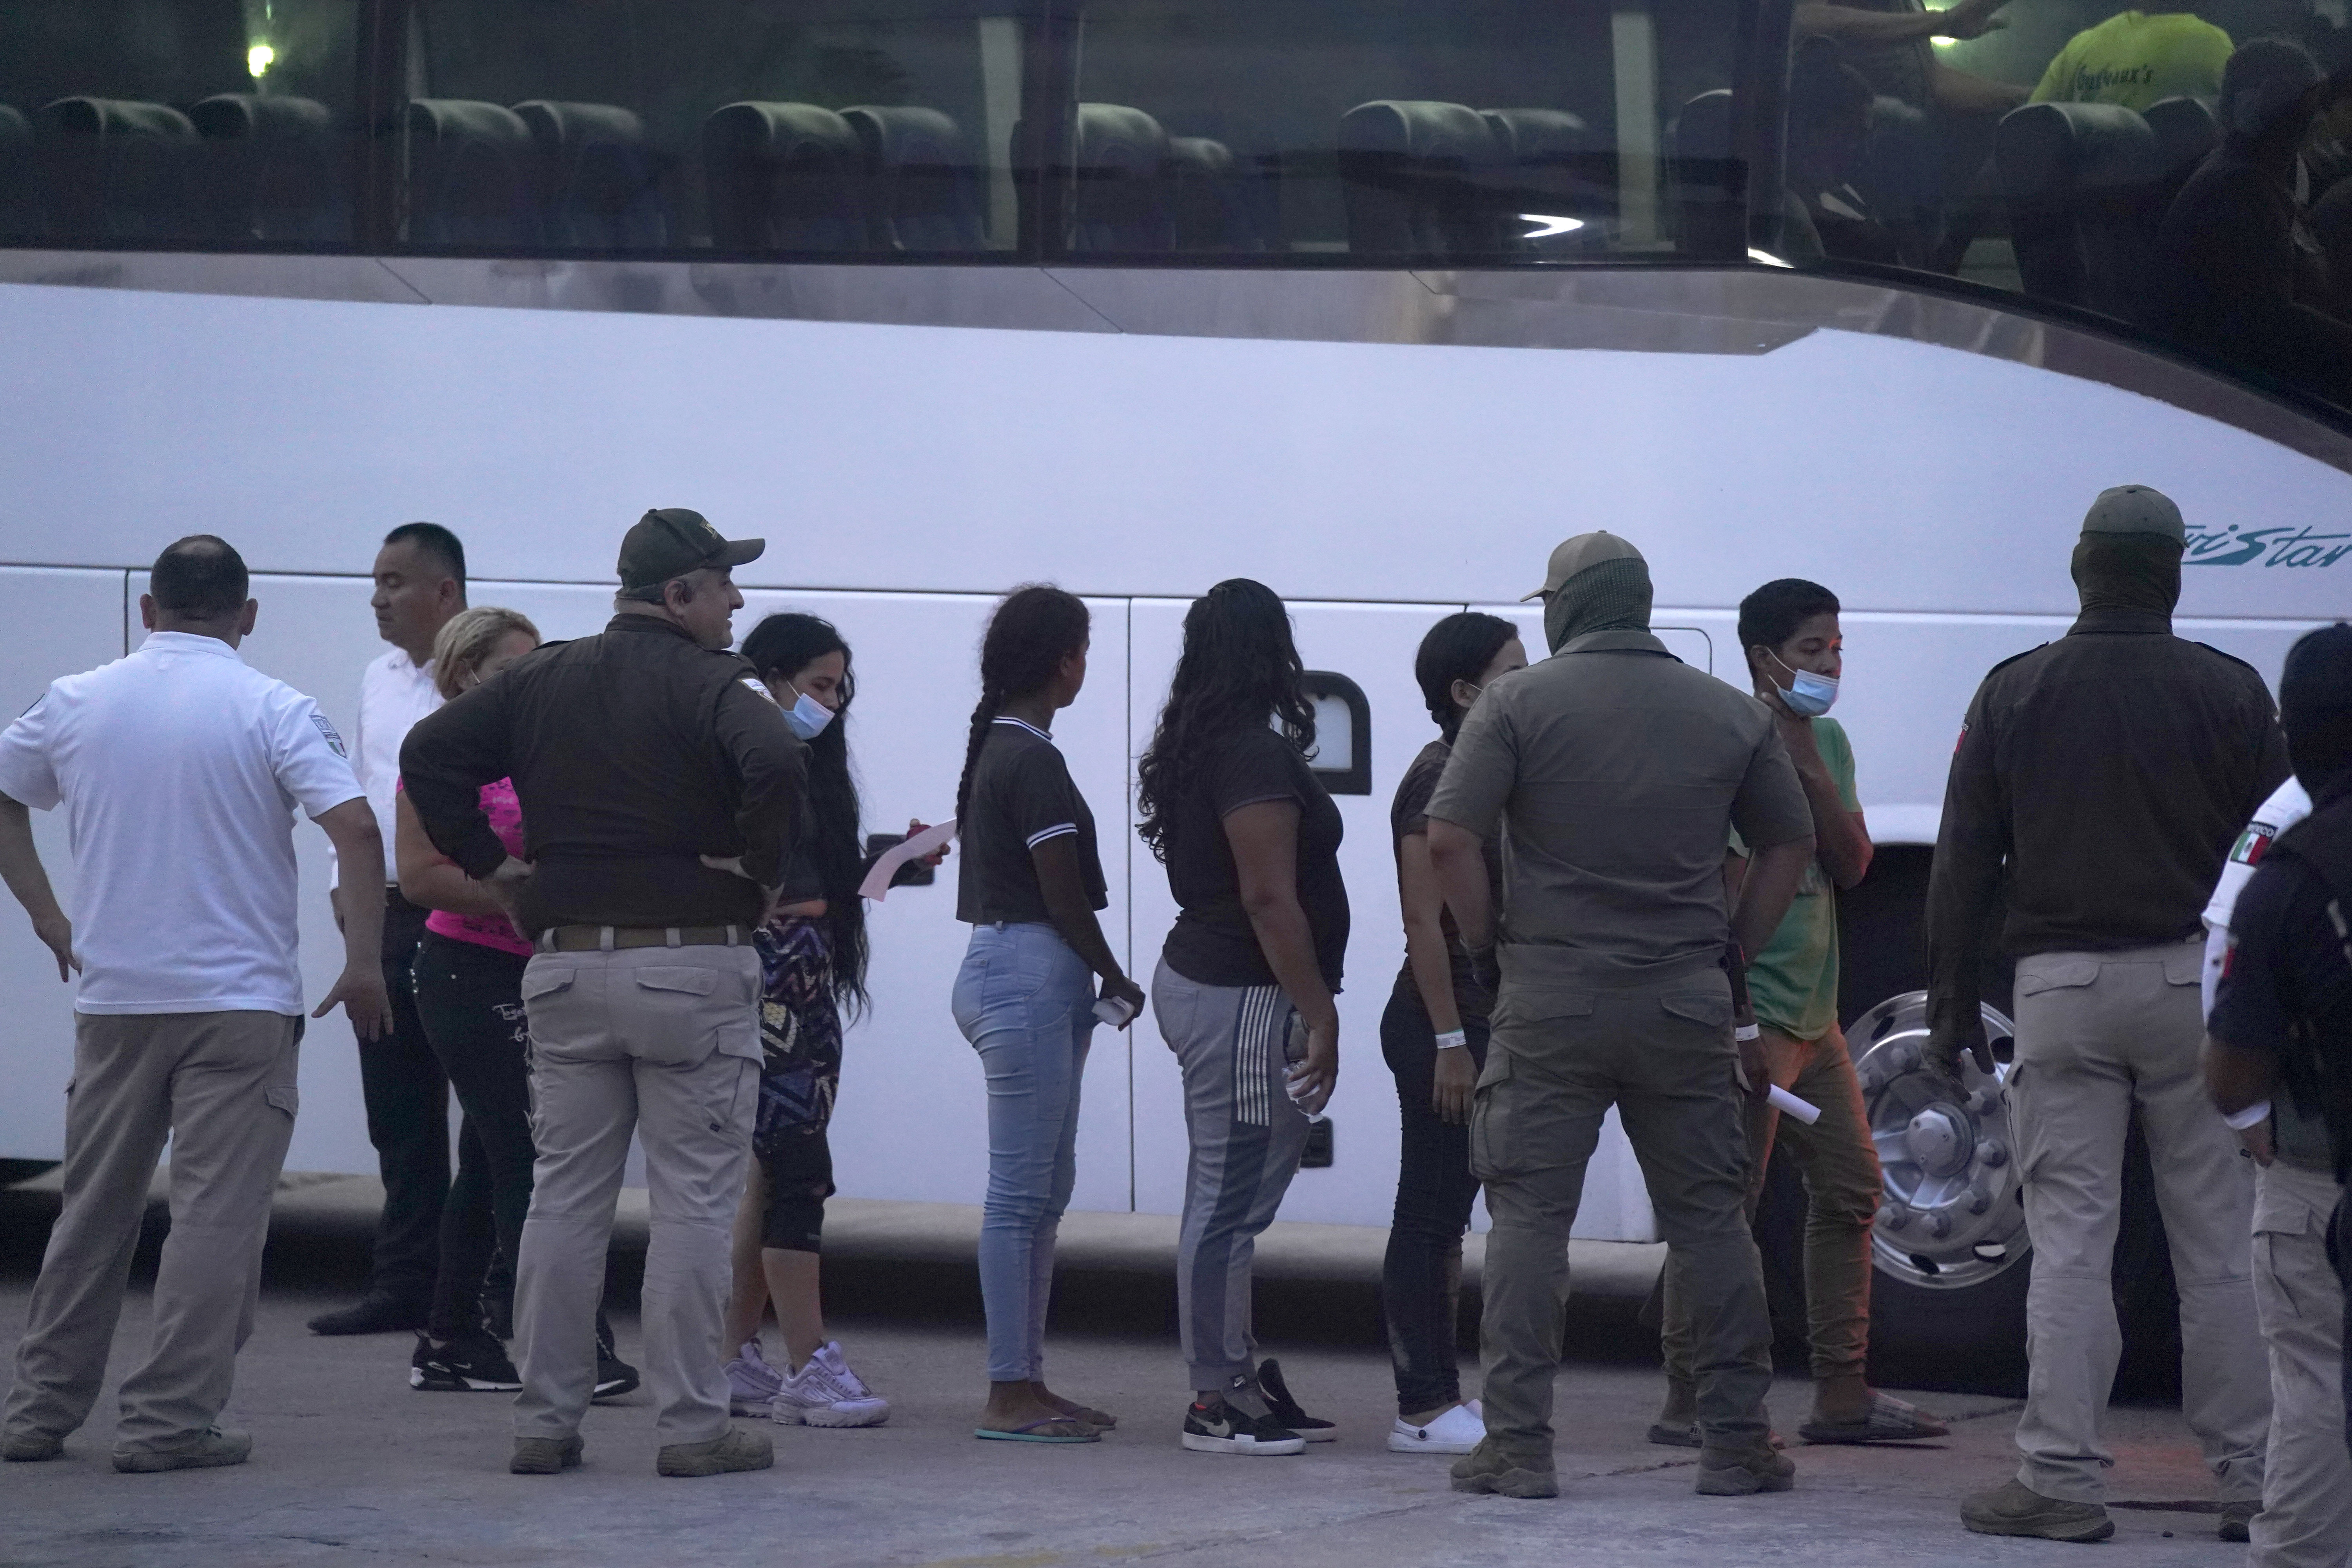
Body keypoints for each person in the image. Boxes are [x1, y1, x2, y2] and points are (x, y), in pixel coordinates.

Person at [402, 507, 806, 1479]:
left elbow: (428, 757)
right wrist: (757, 871)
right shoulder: (718, 683)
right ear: (679, 596)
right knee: (695, 1206)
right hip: (694, 966)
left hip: (566, 966)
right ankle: (693, 1428)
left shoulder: (543, 675)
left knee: (562, 1201)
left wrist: (498, 872)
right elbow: (782, 760)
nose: (738, 599)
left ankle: (545, 1421)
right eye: (722, 582)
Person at [1425, 530, 1816, 1502]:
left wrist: (1488, 945)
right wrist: (1731, 949)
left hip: (1550, 995)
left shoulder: (1517, 702)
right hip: (1684, 998)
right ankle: (1734, 1441)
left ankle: (1518, 1445)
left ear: (1567, 607)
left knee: (1528, 1222)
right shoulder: (1728, 711)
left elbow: (1447, 836)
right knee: (1713, 1223)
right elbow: (1788, 843)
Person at [1927, 485, 2283, 1544]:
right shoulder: (2230, 694)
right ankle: (2255, 1478)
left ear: (2080, 569)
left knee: (2074, 1239)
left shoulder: (2015, 691)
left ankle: (2061, 1481)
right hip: (2193, 989)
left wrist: (1951, 1001)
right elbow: (2274, 855)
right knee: (2217, 1243)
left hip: (2061, 993)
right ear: (2172, 575)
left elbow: (1962, 862)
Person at [0, 537, 389, 1472]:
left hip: (117, 996)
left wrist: (51, 915)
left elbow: (6, 795)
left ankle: (37, 1413)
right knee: (218, 1217)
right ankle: (169, 1421)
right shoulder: (274, 707)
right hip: (242, 1001)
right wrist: (364, 960)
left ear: (148, 609)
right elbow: (358, 824)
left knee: (93, 1208)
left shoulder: (76, 699)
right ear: (247, 614)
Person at [1652, 579, 1944, 1448]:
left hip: (1815, 1019)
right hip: (1757, 1017)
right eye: (1813, 649)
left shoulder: (1829, 741)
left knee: (1853, 1187)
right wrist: (1734, 1018)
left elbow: (1853, 862)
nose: (1829, 664)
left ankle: (1842, 1391)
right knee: (1722, 1207)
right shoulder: (1729, 743)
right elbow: (1727, 895)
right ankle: (1684, 1397)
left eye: (1837, 648)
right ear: (1762, 658)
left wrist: (1811, 762)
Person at [396, 607, 639, 1404]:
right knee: (528, 1156)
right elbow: (421, 875)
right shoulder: (442, 758)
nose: (530, 687)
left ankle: (449, 1337)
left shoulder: (541, 751)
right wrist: (518, 891)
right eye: (512, 672)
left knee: (487, 1156)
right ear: (469, 676)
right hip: (466, 972)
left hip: (538, 972)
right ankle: (570, 1342)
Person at [1135, 577, 1347, 1457]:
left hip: (1221, 987)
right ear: (1274, 650)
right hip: (1245, 997)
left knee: (1231, 1196)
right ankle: (1213, 1399)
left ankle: (1235, 1373)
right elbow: (1268, 896)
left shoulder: (1202, 740)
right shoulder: (1253, 753)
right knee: (1228, 1200)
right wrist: (1318, 1008)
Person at [721, 612, 938, 1429]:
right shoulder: (748, 759)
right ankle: (808, 1364)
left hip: (805, 973)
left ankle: (735, 1353)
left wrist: (894, 860)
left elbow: (826, 880)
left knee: (774, 1172)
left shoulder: (808, 767)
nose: (832, 701)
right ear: (769, 679)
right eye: (817, 684)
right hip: (775, 976)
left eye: (840, 686)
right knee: (797, 1166)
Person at [949, 586, 1144, 1444]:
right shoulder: (1030, 757)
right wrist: (1116, 973)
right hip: (1030, 970)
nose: (1085, 665)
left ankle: (1025, 1379)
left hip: (1018, 969)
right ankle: (1008, 1387)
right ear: (1063, 658)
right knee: (1022, 1193)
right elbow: (1062, 892)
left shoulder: (1006, 745)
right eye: (1082, 649)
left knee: (1041, 1191)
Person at [2204, 622, 2352, 1568]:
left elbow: (2231, 1069)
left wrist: (2257, 1127)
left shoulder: (2288, 877)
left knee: (2312, 1385)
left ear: (2293, 734)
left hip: (2319, 1176)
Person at [310, 522, 469, 1338]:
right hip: (392, 911)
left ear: (445, 592)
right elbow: (363, 794)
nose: (378, 597)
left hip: (468, 912)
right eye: (376, 581)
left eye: (395, 581)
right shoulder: (378, 677)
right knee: (400, 1111)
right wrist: (348, 894)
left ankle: (489, 1285)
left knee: (490, 1108)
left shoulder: (488, 673)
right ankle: (405, 1281)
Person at [1381, 612, 1525, 1457]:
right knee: (1431, 1214)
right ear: (1466, 692)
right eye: (1513, 670)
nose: (1530, 680)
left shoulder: (1496, 766)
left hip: (1478, 1020)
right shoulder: (1437, 774)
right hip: (1443, 1023)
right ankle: (1424, 1404)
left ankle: (1440, 1394)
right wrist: (1449, 1040)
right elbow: (1422, 921)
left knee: (1452, 1214)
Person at [2150, 38, 2352, 408]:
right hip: (2253, 405)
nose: (2320, 117)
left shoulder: (2258, 179)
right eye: (2306, 102)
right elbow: (2272, 326)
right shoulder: (2237, 190)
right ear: (2260, 106)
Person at [2030, 6, 2234, 111]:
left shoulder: (2084, 45)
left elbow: (2028, 126)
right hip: (2178, 188)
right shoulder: (2214, 44)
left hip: (2090, 189)